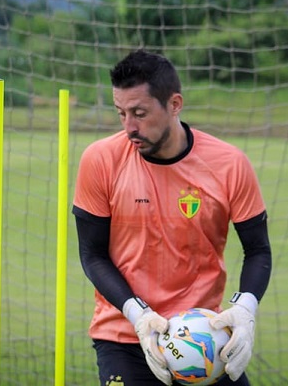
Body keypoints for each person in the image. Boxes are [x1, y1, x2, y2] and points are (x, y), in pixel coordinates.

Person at [72, 50, 272, 386]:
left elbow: (258, 250)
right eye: (121, 113)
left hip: (202, 337)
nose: (129, 127)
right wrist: (139, 316)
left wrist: (244, 311)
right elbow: (92, 254)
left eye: (140, 113)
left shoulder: (229, 164)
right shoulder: (100, 159)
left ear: (174, 104)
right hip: (125, 336)